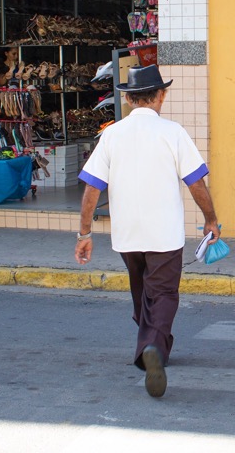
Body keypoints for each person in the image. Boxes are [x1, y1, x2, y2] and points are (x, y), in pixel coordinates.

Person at [74, 64, 219, 398]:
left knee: (142, 293)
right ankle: (152, 347)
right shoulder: (173, 132)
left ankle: (154, 347)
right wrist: (210, 219)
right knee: (164, 294)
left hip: (127, 235)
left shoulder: (111, 134)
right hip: (164, 234)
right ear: (161, 96)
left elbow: (92, 189)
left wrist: (84, 235)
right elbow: (196, 182)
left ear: (127, 100)